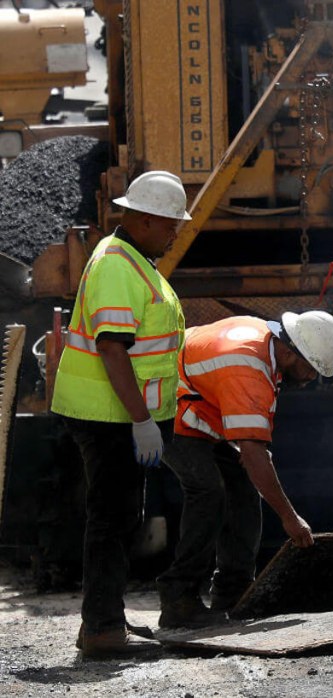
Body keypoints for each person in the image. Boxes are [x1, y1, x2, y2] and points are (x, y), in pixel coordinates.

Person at [50, 170, 191, 659]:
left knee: (117, 517)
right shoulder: (117, 265)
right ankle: (104, 631)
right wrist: (141, 419)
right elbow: (113, 349)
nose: (176, 232)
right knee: (113, 519)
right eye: (172, 222)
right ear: (147, 219)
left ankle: (105, 620)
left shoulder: (131, 259)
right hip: (108, 415)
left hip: (115, 415)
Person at [155, 311, 333, 628]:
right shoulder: (246, 367)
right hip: (165, 408)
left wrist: (254, 455)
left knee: (242, 488)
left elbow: (253, 449)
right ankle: (178, 599)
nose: (312, 377)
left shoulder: (264, 340)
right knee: (208, 490)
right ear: (288, 351)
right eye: (311, 367)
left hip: (196, 406)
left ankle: (234, 595)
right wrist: (290, 518)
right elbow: (255, 454)